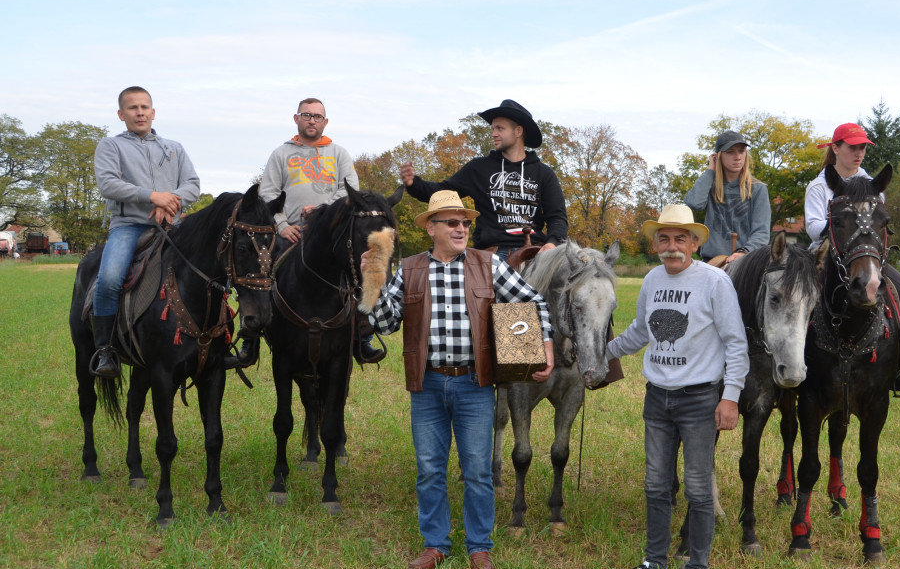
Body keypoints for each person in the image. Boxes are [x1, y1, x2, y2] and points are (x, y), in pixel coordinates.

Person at [364, 190, 555, 569]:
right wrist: (373, 282)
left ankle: (479, 547)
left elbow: (533, 303)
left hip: (473, 383)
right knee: (430, 469)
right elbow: (384, 323)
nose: (461, 228)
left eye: (465, 222)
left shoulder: (491, 265)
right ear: (431, 228)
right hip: (429, 385)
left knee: (478, 472)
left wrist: (544, 347)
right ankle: (435, 545)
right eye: (451, 222)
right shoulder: (411, 268)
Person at [607, 204, 748, 569]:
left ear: (695, 242)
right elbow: (640, 332)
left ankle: (697, 567)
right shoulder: (652, 280)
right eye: (665, 238)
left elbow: (736, 343)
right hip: (657, 399)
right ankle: (655, 563)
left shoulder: (715, 283)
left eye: (680, 239)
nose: (672, 247)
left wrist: (731, 397)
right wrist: (604, 352)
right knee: (655, 485)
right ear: (655, 244)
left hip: (700, 400)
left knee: (699, 488)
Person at [229, 98, 382, 367]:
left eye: (317, 116)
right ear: (296, 118)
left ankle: (362, 335)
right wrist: (283, 226)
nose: (312, 120)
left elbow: (348, 190)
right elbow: (267, 194)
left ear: (325, 122)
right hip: (289, 233)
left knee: (355, 269)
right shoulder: (281, 154)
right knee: (258, 271)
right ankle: (250, 337)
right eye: (307, 115)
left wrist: (322, 211)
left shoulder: (339, 153)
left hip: (329, 234)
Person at [804, 122, 900, 396]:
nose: (858, 153)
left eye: (862, 148)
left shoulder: (873, 185)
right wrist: (840, 223)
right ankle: (794, 368)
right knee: (797, 301)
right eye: (852, 147)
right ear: (835, 148)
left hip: (865, 256)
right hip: (824, 256)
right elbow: (812, 227)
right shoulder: (819, 186)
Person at [91, 86, 200, 378]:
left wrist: (171, 201)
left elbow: (192, 184)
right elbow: (108, 184)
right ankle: (105, 350)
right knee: (110, 278)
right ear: (121, 114)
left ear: (153, 112)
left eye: (144, 107)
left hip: (173, 226)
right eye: (132, 108)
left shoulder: (174, 147)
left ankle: (219, 341)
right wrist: (153, 196)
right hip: (129, 227)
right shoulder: (110, 146)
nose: (139, 112)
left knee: (212, 268)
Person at [399, 99, 568, 260]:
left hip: (535, 255)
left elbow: (557, 217)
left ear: (518, 131)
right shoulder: (479, 168)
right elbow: (443, 193)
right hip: (490, 255)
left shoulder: (544, 174)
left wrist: (552, 243)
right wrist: (414, 184)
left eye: (500, 128)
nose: (494, 134)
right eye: (493, 129)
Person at [684, 130, 771, 265]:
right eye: (730, 152)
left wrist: (744, 251)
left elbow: (761, 232)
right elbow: (694, 203)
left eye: (741, 151)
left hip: (746, 262)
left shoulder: (758, 188)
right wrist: (710, 170)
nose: (737, 157)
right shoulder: (710, 186)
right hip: (712, 262)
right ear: (718, 156)